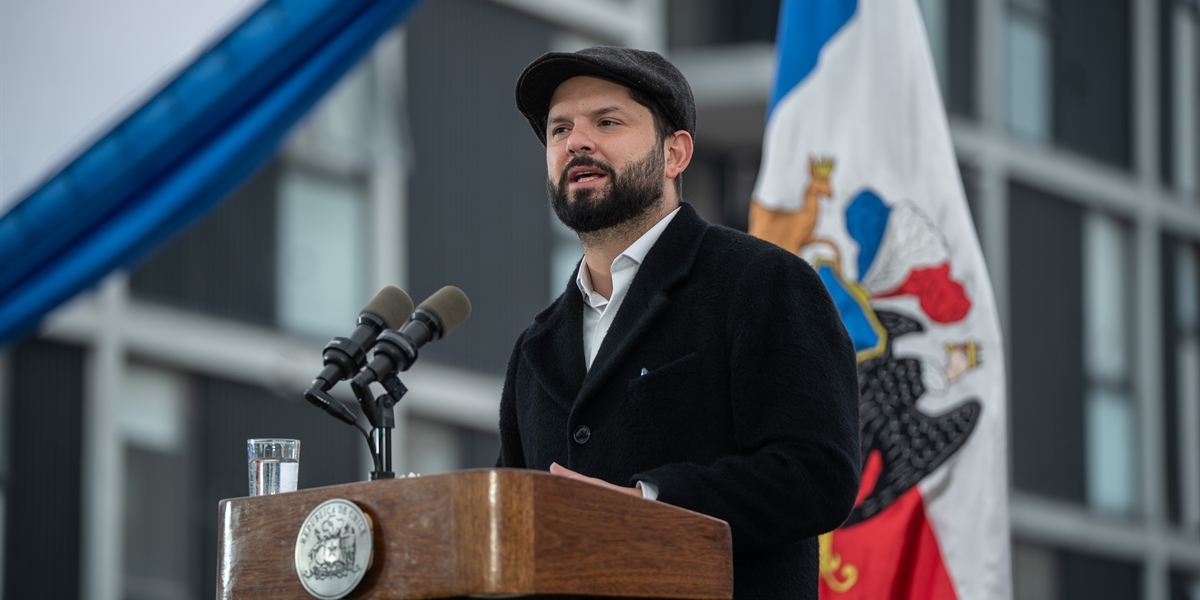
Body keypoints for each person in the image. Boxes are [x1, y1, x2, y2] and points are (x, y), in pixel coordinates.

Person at [497, 46, 861, 598]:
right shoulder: (535, 349)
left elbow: (817, 475)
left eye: (608, 121)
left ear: (675, 153)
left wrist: (649, 505)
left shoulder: (761, 282)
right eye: (559, 129)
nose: (577, 142)